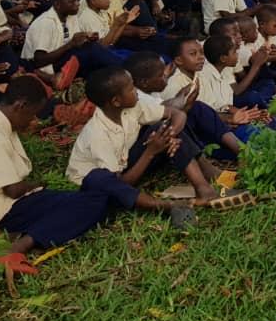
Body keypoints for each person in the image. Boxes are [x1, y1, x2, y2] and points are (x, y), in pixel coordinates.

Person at [0, 77, 111, 270]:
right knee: (94, 203)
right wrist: (37, 185)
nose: (33, 120)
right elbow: (13, 190)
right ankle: (17, 246)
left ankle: (14, 234)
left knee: (73, 201)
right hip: (0, 208)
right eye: (32, 114)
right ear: (20, 105)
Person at [67, 66, 245, 215]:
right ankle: (206, 187)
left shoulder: (132, 107)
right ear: (116, 101)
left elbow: (177, 113)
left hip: (126, 160)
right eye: (131, 89)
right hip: (103, 180)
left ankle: (204, 189)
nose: (136, 91)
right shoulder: (98, 135)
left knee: (164, 128)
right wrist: (151, 151)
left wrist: (170, 135)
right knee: (158, 131)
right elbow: (120, 185)